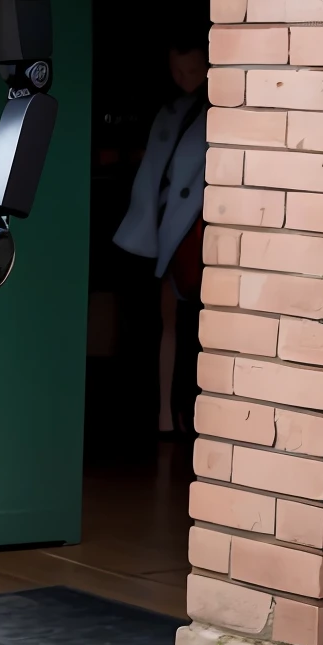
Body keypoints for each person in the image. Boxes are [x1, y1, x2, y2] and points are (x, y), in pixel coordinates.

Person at [113, 41, 209, 434]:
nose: (183, 79)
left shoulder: (218, 111)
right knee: (169, 321)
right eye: (177, 71)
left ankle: (194, 413)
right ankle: (166, 415)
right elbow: (151, 177)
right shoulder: (170, 112)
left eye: (191, 70)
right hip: (173, 229)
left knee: (201, 326)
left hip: (200, 229)